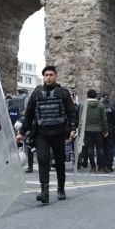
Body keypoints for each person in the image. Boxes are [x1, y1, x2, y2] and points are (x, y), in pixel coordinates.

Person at [15, 66, 78, 203]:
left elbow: (71, 113)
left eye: (51, 75)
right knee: (43, 160)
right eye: (46, 75)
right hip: (41, 133)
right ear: (43, 77)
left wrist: (72, 129)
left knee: (60, 162)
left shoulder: (63, 93)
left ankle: (61, 188)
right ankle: (44, 192)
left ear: (56, 76)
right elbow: (29, 116)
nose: (48, 77)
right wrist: (21, 132)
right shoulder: (36, 94)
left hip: (59, 132)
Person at [80, 89, 108, 173]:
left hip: (87, 130)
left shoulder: (83, 105)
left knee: (89, 148)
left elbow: (81, 118)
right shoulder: (100, 106)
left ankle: (93, 167)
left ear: (87, 95)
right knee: (100, 148)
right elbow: (104, 119)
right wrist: (105, 129)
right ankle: (102, 166)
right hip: (98, 130)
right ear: (95, 96)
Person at [100, 93, 115, 172]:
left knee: (101, 147)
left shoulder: (100, 107)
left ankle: (102, 165)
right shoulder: (112, 107)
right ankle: (109, 165)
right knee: (109, 148)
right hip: (110, 130)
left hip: (101, 130)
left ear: (102, 98)